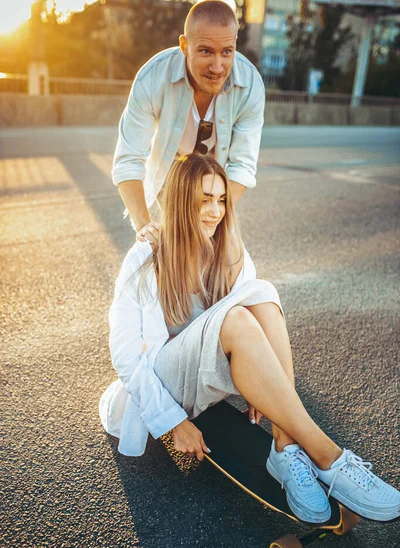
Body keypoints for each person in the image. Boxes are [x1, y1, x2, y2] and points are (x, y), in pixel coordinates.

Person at [100, 153, 400, 525]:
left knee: (260, 293)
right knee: (240, 314)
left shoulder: (227, 251)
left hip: (204, 378)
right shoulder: (146, 257)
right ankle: (329, 457)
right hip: (165, 382)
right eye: (204, 200)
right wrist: (173, 422)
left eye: (221, 199)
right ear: (180, 202)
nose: (215, 211)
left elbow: (257, 320)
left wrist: (265, 388)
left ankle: (286, 446)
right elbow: (127, 356)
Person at [112, 0, 265, 244]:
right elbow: (129, 159)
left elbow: (242, 166)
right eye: (205, 51)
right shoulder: (152, 78)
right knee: (159, 258)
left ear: (235, 44)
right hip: (168, 183)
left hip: (217, 187)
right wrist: (144, 226)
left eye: (227, 52)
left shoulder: (250, 85)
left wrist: (212, 215)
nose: (217, 67)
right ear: (185, 45)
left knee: (221, 265)